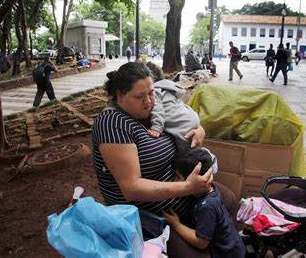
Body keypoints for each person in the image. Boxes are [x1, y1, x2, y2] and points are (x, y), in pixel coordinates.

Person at [92, 62, 237, 257]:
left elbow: (184, 116)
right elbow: (131, 188)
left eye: (151, 92)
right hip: (150, 216)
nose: (149, 101)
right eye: (139, 96)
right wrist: (187, 188)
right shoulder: (112, 123)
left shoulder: (151, 108)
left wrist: (199, 129)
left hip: (184, 195)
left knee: (229, 200)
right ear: (120, 95)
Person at [163, 148, 245, 258]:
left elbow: (201, 242)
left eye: (178, 177)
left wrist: (177, 225)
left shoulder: (208, 207)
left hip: (227, 254)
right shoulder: (210, 189)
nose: (174, 182)